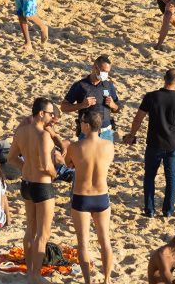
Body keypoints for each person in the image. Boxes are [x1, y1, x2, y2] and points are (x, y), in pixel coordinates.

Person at [123, 68, 175, 218]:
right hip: (172, 144)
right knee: (171, 177)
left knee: (149, 177)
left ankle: (150, 210)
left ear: (164, 79)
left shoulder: (151, 97)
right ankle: (168, 210)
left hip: (154, 143)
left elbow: (138, 119)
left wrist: (132, 134)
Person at [9, 97, 58, 283]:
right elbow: (46, 166)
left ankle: (29, 270)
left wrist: (26, 167)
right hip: (42, 186)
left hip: (27, 184)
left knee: (30, 229)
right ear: (40, 113)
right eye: (50, 113)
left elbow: (11, 158)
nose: (52, 116)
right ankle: (35, 275)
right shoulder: (43, 135)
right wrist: (56, 173)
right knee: (43, 233)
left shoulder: (21, 132)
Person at [65, 109, 114, 284]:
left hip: (82, 197)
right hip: (101, 196)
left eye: (81, 122)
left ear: (86, 125)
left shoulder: (75, 147)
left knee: (83, 243)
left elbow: (68, 164)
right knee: (105, 240)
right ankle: (107, 280)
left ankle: (87, 282)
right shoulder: (108, 146)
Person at [61, 55, 120, 141]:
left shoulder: (108, 85)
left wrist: (113, 105)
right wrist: (82, 105)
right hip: (87, 133)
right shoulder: (80, 85)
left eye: (107, 72)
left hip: (106, 133)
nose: (105, 74)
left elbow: (118, 108)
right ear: (95, 67)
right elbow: (64, 107)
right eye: (103, 71)